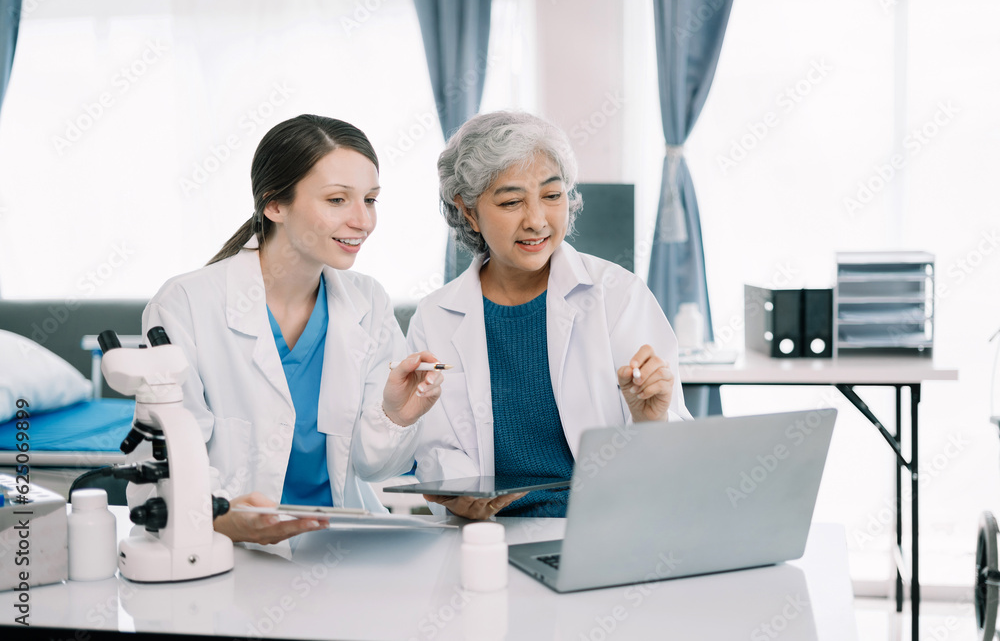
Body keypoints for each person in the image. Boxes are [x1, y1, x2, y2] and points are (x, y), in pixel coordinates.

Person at [133, 114, 443, 546]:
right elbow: (161, 463)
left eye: (370, 200)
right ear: (274, 205)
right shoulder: (185, 304)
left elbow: (373, 468)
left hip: (341, 546)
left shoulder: (368, 302)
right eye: (337, 199)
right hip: (230, 551)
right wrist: (221, 518)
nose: (363, 221)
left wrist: (396, 415)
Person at [408, 111, 692, 520]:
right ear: (468, 211)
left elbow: (674, 452)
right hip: (489, 533)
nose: (537, 221)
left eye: (553, 195)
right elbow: (437, 446)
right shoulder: (436, 316)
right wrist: (461, 491)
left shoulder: (617, 295)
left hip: (603, 528)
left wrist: (652, 420)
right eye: (511, 202)